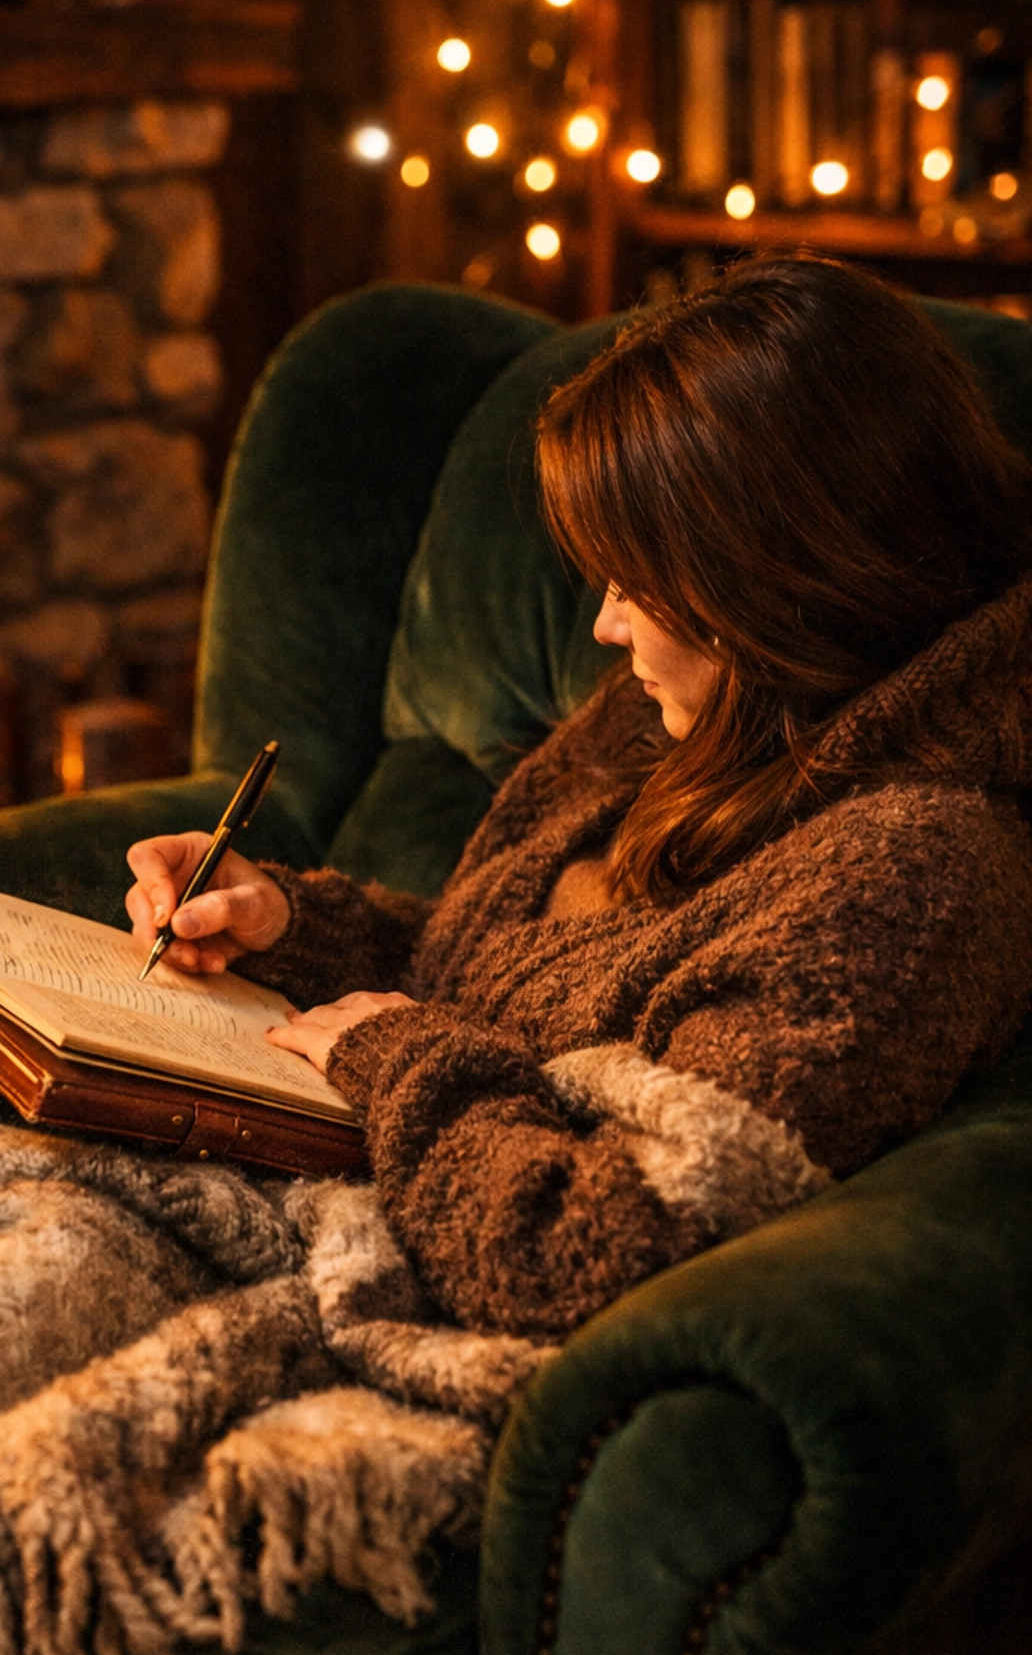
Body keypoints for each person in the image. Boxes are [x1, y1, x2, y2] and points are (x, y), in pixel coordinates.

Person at [126, 256, 1032, 1338]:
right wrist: (286, 924)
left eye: (638, 582)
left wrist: (398, 1058)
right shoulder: (684, 710)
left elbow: (588, 1251)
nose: (604, 627)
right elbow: (491, 979)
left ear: (782, 578)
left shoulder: (913, 877)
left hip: (403, 1285)